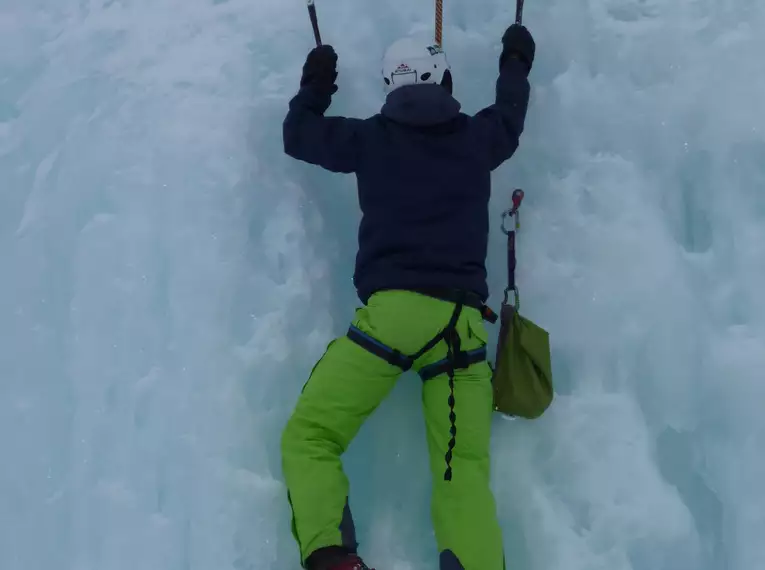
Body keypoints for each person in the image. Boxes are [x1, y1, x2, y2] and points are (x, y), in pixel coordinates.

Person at [280, 22, 536, 570]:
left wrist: (318, 79)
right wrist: (515, 56)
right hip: (462, 326)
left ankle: (335, 560)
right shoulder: (475, 137)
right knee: (461, 470)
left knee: (311, 436)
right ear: (441, 79)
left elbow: (299, 134)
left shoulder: (369, 138)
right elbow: (510, 117)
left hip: (392, 317)